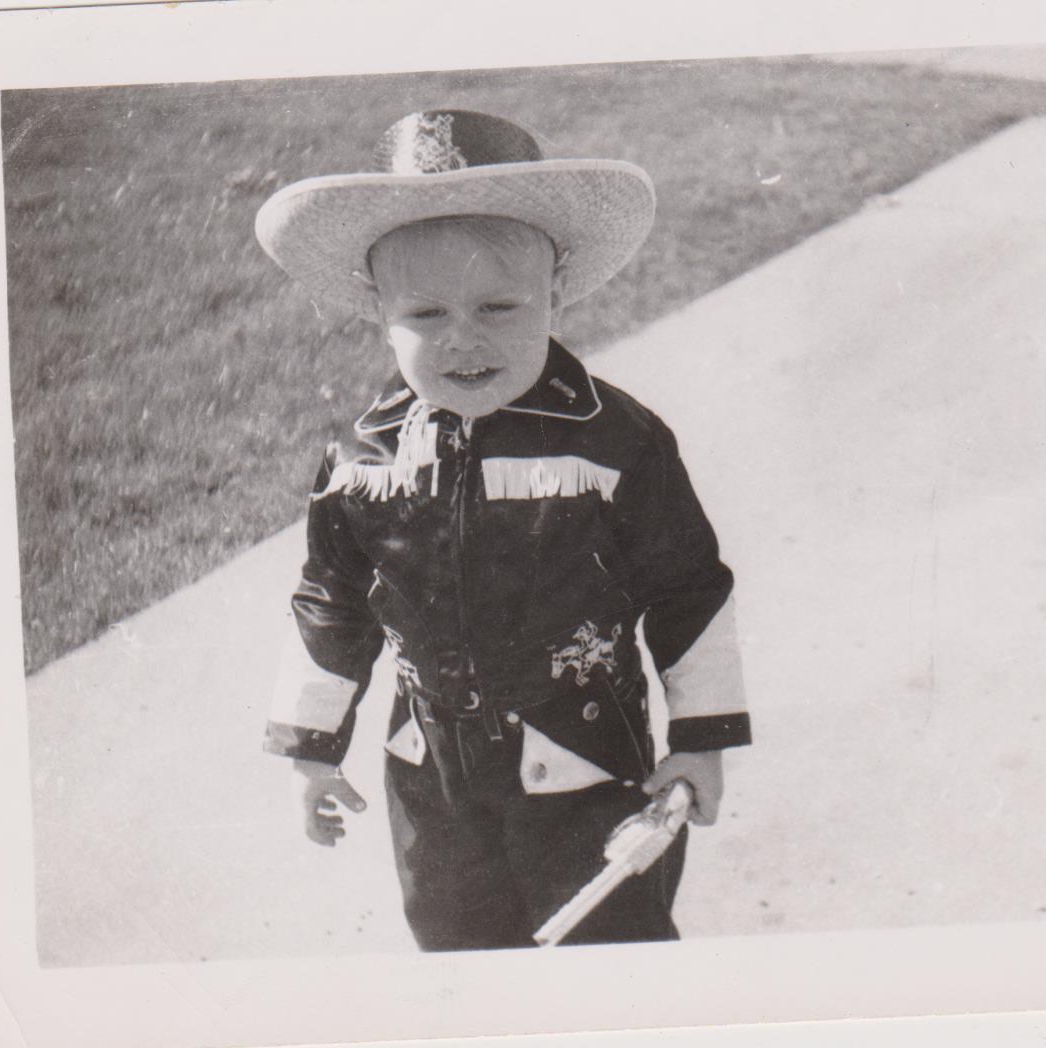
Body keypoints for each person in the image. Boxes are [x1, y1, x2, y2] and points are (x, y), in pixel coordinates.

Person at [253, 110, 749, 950]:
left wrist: (702, 741)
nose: (465, 339)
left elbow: (687, 589)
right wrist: (311, 749)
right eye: (427, 313)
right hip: (431, 775)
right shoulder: (359, 460)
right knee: (457, 944)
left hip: (591, 763)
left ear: (556, 291)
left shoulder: (615, 441)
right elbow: (330, 600)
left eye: (499, 304)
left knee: (608, 944)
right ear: (379, 310)